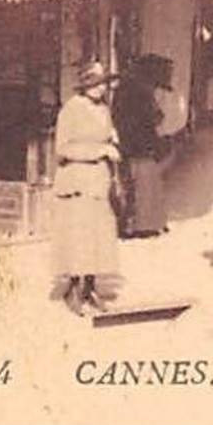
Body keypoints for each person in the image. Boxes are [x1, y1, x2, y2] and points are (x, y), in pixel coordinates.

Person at [54, 61, 122, 314]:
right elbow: (62, 149)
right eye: (94, 84)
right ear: (84, 86)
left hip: (99, 180)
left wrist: (112, 138)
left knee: (98, 235)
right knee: (78, 235)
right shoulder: (71, 110)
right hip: (77, 179)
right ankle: (73, 288)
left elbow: (105, 132)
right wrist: (98, 150)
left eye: (102, 84)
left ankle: (89, 287)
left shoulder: (103, 109)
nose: (100, 89)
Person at [111, 54, 170, 238]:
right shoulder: (141, 91)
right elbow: (149, 119)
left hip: (131, 142)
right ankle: (142, 225)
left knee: (136, 183)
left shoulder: (127, 88)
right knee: (143, 183)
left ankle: (141, 223)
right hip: (139, 143)